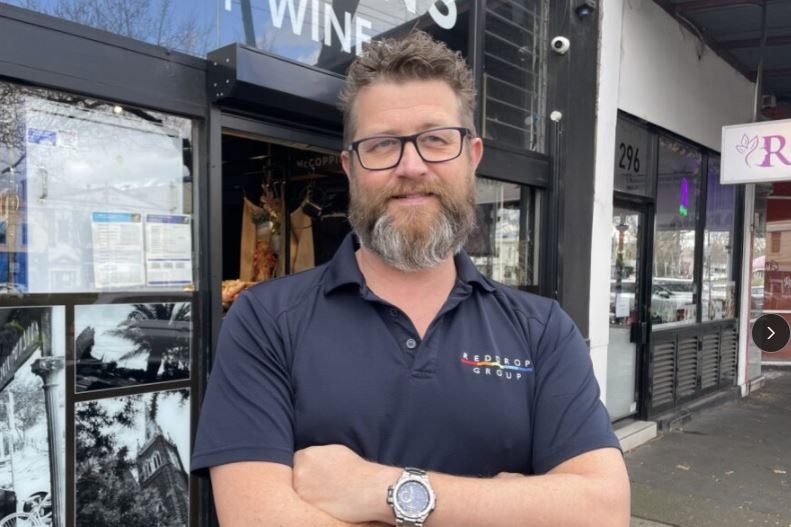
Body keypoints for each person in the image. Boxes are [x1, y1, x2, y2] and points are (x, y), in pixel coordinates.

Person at [192, 30, 630, 527]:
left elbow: (602, 511)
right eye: (381, 146)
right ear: (350, 167)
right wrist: (513, 504)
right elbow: (255, 519)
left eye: (436, 140)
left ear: (472, 156)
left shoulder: (542, 329)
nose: (412, 166)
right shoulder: (265, 320)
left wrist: (382, 491)